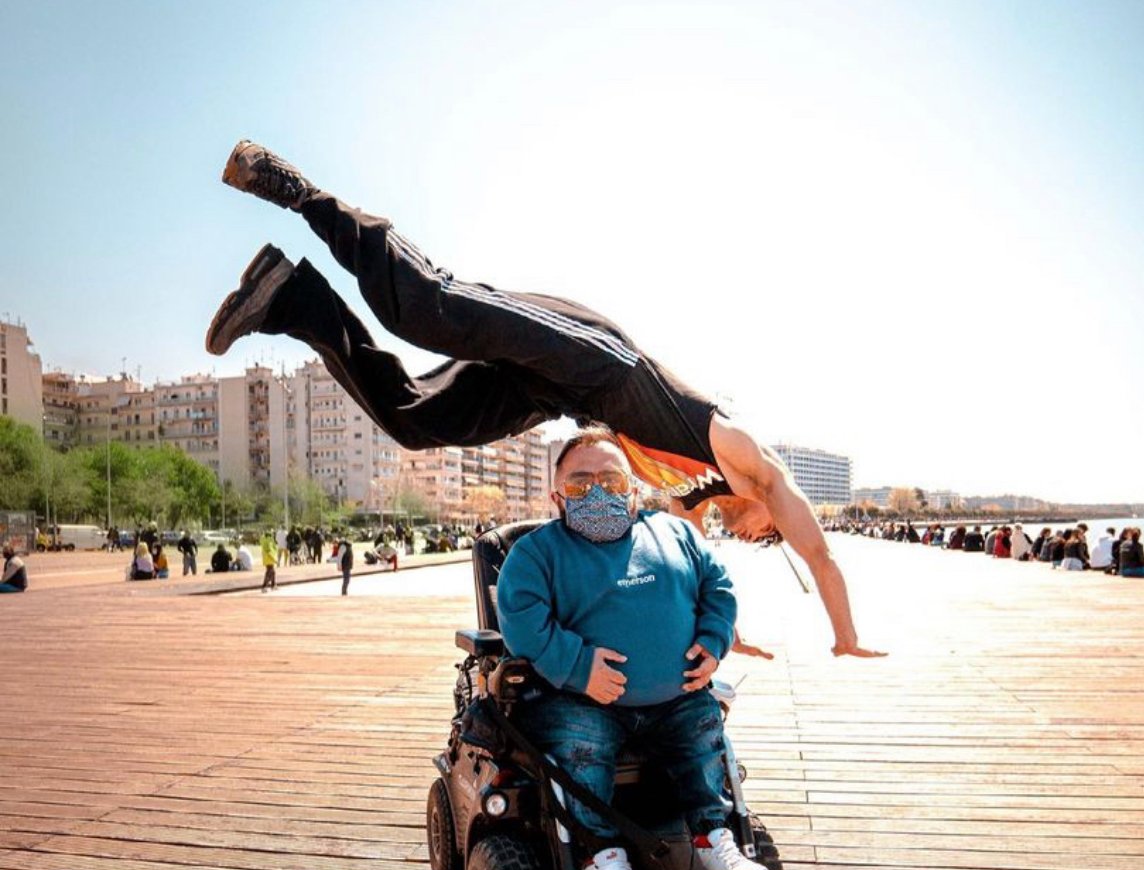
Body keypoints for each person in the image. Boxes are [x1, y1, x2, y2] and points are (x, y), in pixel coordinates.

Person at [206, 140, 883, 659]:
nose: (763, 537)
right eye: (772, 532)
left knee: (418, 419)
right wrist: (845, 634)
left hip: (559, 397)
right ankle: (299, 192)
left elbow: (690, 578)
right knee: (429, 309)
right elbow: (820, 554)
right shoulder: (748, 458)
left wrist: (718, 638)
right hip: (597, 357)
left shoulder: (696, 500)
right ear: (775, 503)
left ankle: (289, 296)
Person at [497, 427, 768, 870]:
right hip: (583, 701)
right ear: (556, 495)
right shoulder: (535, 553)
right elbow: (521, 622)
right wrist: (579, 667)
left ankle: (714, 839)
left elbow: (718, 589)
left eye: (610, 478)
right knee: (582, 746)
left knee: (705, 733)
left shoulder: (676, 533)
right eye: (580, 484)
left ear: (634, 487)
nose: (597, 491)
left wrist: (713, 641)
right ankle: (601, 860)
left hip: (678, 698)